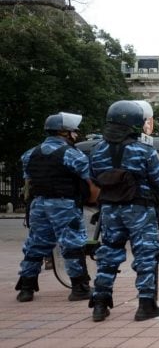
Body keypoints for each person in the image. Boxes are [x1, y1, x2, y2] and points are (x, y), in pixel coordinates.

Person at [89, 100, 159, 322]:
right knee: (145, 255)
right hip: (139, 209)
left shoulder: (97, 151)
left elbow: (94, 177)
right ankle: (146, 304)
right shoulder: (144, 150)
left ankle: (100, 304)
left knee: (108, 255)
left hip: (110, 210)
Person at [16, 112, 96, 303]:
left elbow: (29, 182)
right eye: (74, 131)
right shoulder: (72, 154)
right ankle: (79, 287)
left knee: (35, 245)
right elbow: (90, 181)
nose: (76, 134)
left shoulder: (30, 154)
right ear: (64, 132)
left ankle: (26, 289)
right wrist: (93, 202)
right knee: (72, 245)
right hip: (64, 205)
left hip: (38, 205)